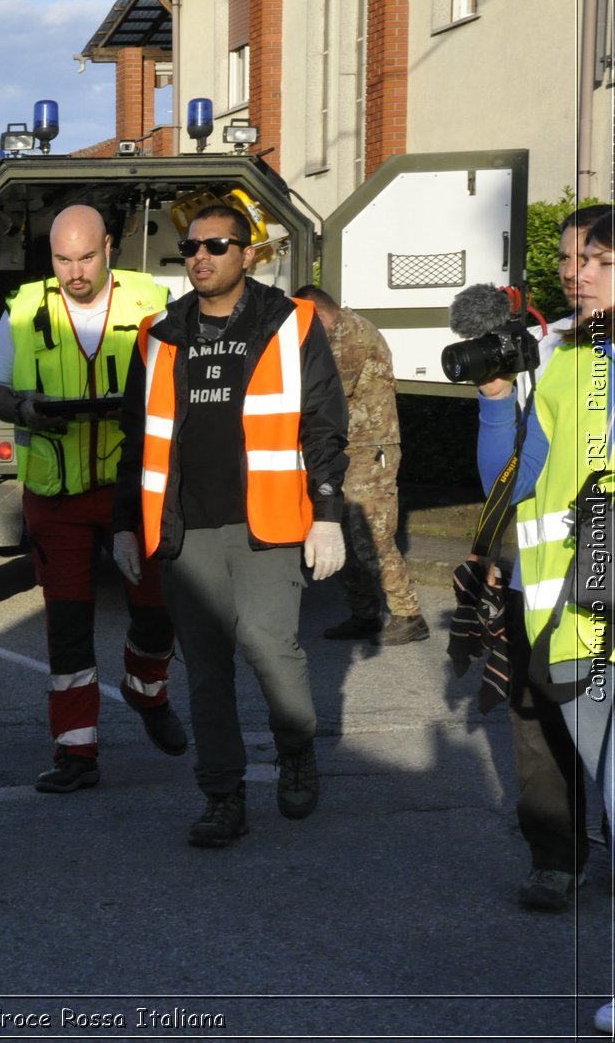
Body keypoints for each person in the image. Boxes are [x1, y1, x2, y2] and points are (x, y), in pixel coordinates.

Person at [112, 204, 349, 847]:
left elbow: (324, 426)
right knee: (208, 670)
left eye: (217, 245)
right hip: (185, 529)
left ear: (247, 253)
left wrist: (327, 515)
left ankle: (296, 752)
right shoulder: (157, 333)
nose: (201, 256)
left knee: (273, 650)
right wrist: (126, 525)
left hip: (266, 522)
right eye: (191, 246)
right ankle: (222, 794)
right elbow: (135, 440)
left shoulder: (291, 324)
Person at [0, 204, 187, 793]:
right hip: (58, 494)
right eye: (63, 259)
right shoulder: (24, 310)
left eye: (86, 257)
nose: (74, 272)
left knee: (155, 613)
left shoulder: (153, 302)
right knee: (68, 628)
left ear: (109, 249)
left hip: (135, 489)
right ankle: (76, 752)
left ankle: (148, 694)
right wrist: (22, 409)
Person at [476, 209, 613, 1035]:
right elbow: (513, 479)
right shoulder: (563, 360)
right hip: (571, 619)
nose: (577, 271)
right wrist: (497, 396)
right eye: (568, 258)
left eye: (598, 258)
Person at [293, 284, 429, 645]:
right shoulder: (334, 333)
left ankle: (408, 614)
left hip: (370, 450)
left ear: (317, 313)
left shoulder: (353, 333)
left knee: (372, 535)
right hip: (345, 449)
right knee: (343, 535)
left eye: (303, 321)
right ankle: (364, 612)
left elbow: (327, 389)